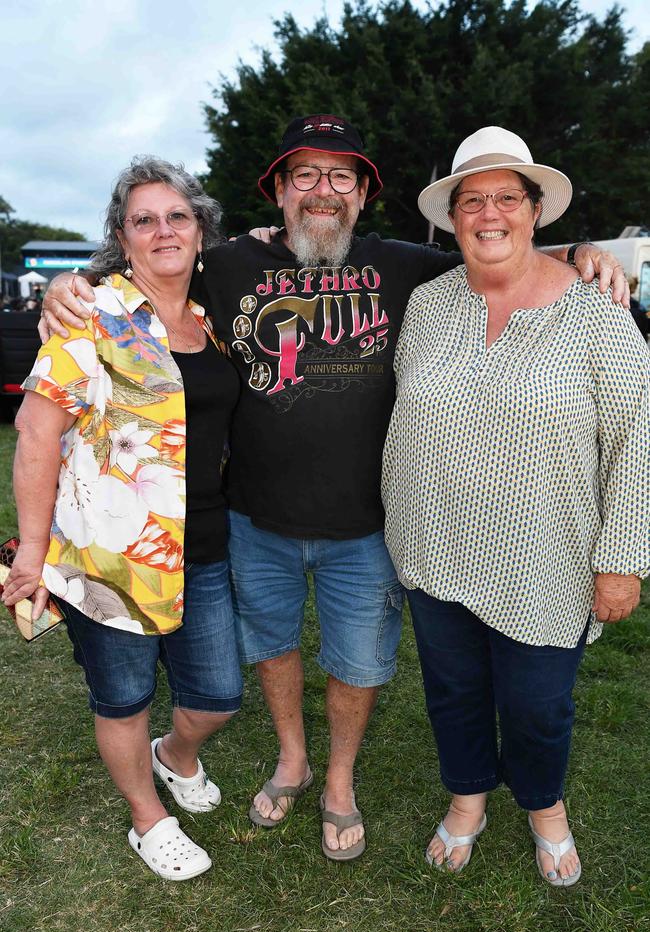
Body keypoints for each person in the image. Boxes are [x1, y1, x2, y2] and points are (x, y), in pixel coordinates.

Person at [39, 115, 628, 862]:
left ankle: (340, 779)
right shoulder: (225, 266)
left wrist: (584, 253)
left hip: (370, 525)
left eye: (342, 176)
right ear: (279, 193)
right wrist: (72, 281)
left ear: (363, 195)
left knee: (359, 661)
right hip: (255, 518)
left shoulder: (409, 266)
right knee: (274, 649)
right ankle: (293, 760)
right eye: (305, 176)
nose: (324, 191)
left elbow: (502, 252)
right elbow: (148, 268)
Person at [382, 126, 649, 885]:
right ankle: (467, 798)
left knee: (537, 707)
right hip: (434, 544)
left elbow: (640, 435)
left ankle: (544, 807)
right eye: (473, 200)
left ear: (536, 213)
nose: (489, 213)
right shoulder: (429, 305)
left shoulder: (596, 308)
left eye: (507, 197)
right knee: (453, 690)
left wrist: (623, 560)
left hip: (547, 555)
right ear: (453, 216)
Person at [2, 156, 242, 881]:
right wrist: (32, 555)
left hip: (203, 545)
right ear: (121, 235)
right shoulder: (91, 314)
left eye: (178, 215)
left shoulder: (214, 317)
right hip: (109, 558)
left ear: (201, 230)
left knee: (218, 694)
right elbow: (37, 433)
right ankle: (147, 818)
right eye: (145, 219)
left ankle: (177, 756)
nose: (163, 230)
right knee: (125, 696)